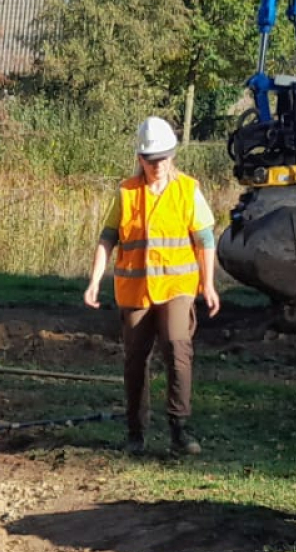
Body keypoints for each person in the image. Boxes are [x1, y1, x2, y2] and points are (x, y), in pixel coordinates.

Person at [84, 116, 222, 455]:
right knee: (135, 359)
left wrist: (209, 284)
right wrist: (94, 280)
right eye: (150, 159)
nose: (157, 165)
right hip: (135, 293)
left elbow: (205, 240)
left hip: (177, 287)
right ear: (140, 159)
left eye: (163, 158)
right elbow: (108, 239)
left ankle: (180, 429)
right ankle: (136, 433)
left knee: (177, 346)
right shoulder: (127, 193)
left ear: (171, 155)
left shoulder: (188, 190)